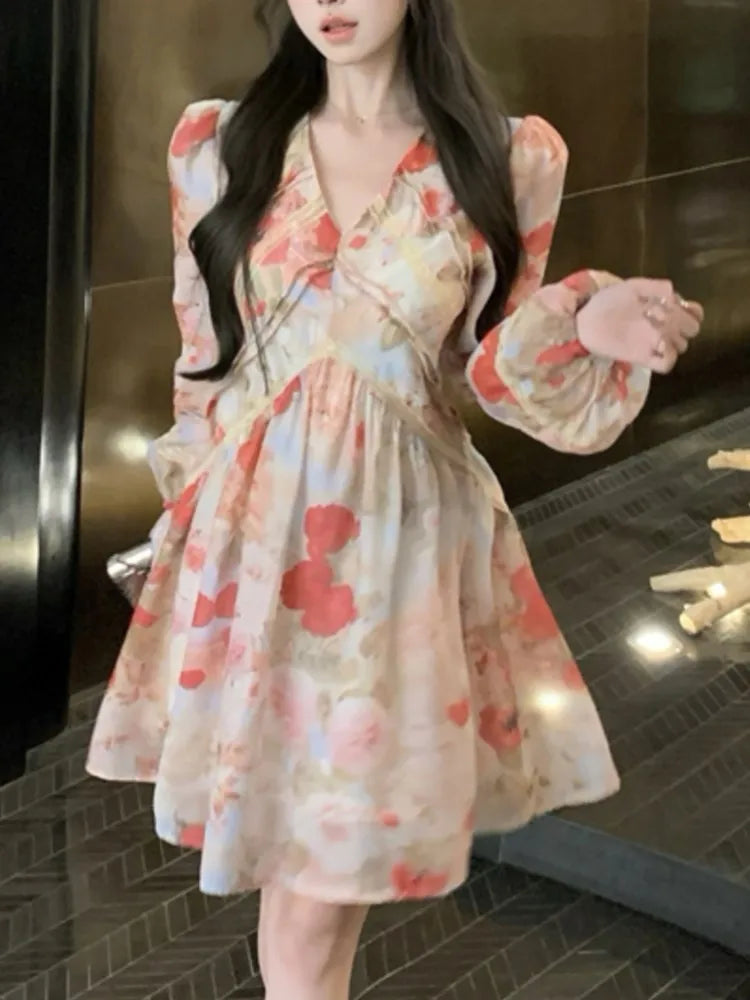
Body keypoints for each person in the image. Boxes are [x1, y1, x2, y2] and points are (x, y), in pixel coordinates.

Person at [87, 1, 704, 997]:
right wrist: (187, 530)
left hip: (400, 557)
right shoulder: (217, 146)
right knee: (299, 869)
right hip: (253, 553)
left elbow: (484, 373)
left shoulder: (507, 158)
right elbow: (202, 367)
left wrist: (585, 327)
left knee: (321, 881)